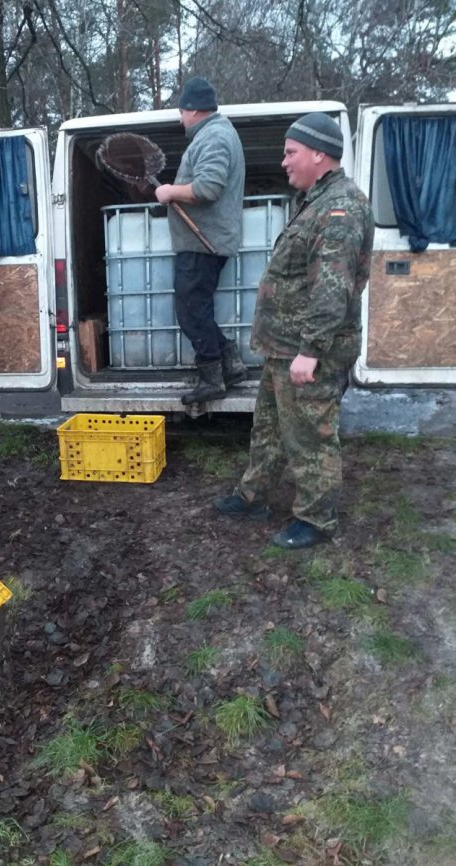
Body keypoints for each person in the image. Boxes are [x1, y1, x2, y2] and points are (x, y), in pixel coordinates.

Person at [215, 113, 375, 549]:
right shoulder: (316, 200)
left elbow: (332, 287)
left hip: (308, 351)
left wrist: (311, 350)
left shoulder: (339, 208)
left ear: (319, 153)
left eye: (291, 153)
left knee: (310, 435)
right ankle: (253, 497)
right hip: (284, 347)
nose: (284, 162)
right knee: (267, 426)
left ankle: (317, 519)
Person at [155, 76, 246, 405]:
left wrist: (169, 192)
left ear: (191, 110)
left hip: (203, 242)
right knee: (198, 307)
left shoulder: (214, 137)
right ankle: (230, 364)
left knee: (191, 311)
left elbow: (208, 188)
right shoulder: (217, 134)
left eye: (180, 112)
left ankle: (212, 378)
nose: (180, 120)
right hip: (206, 240)